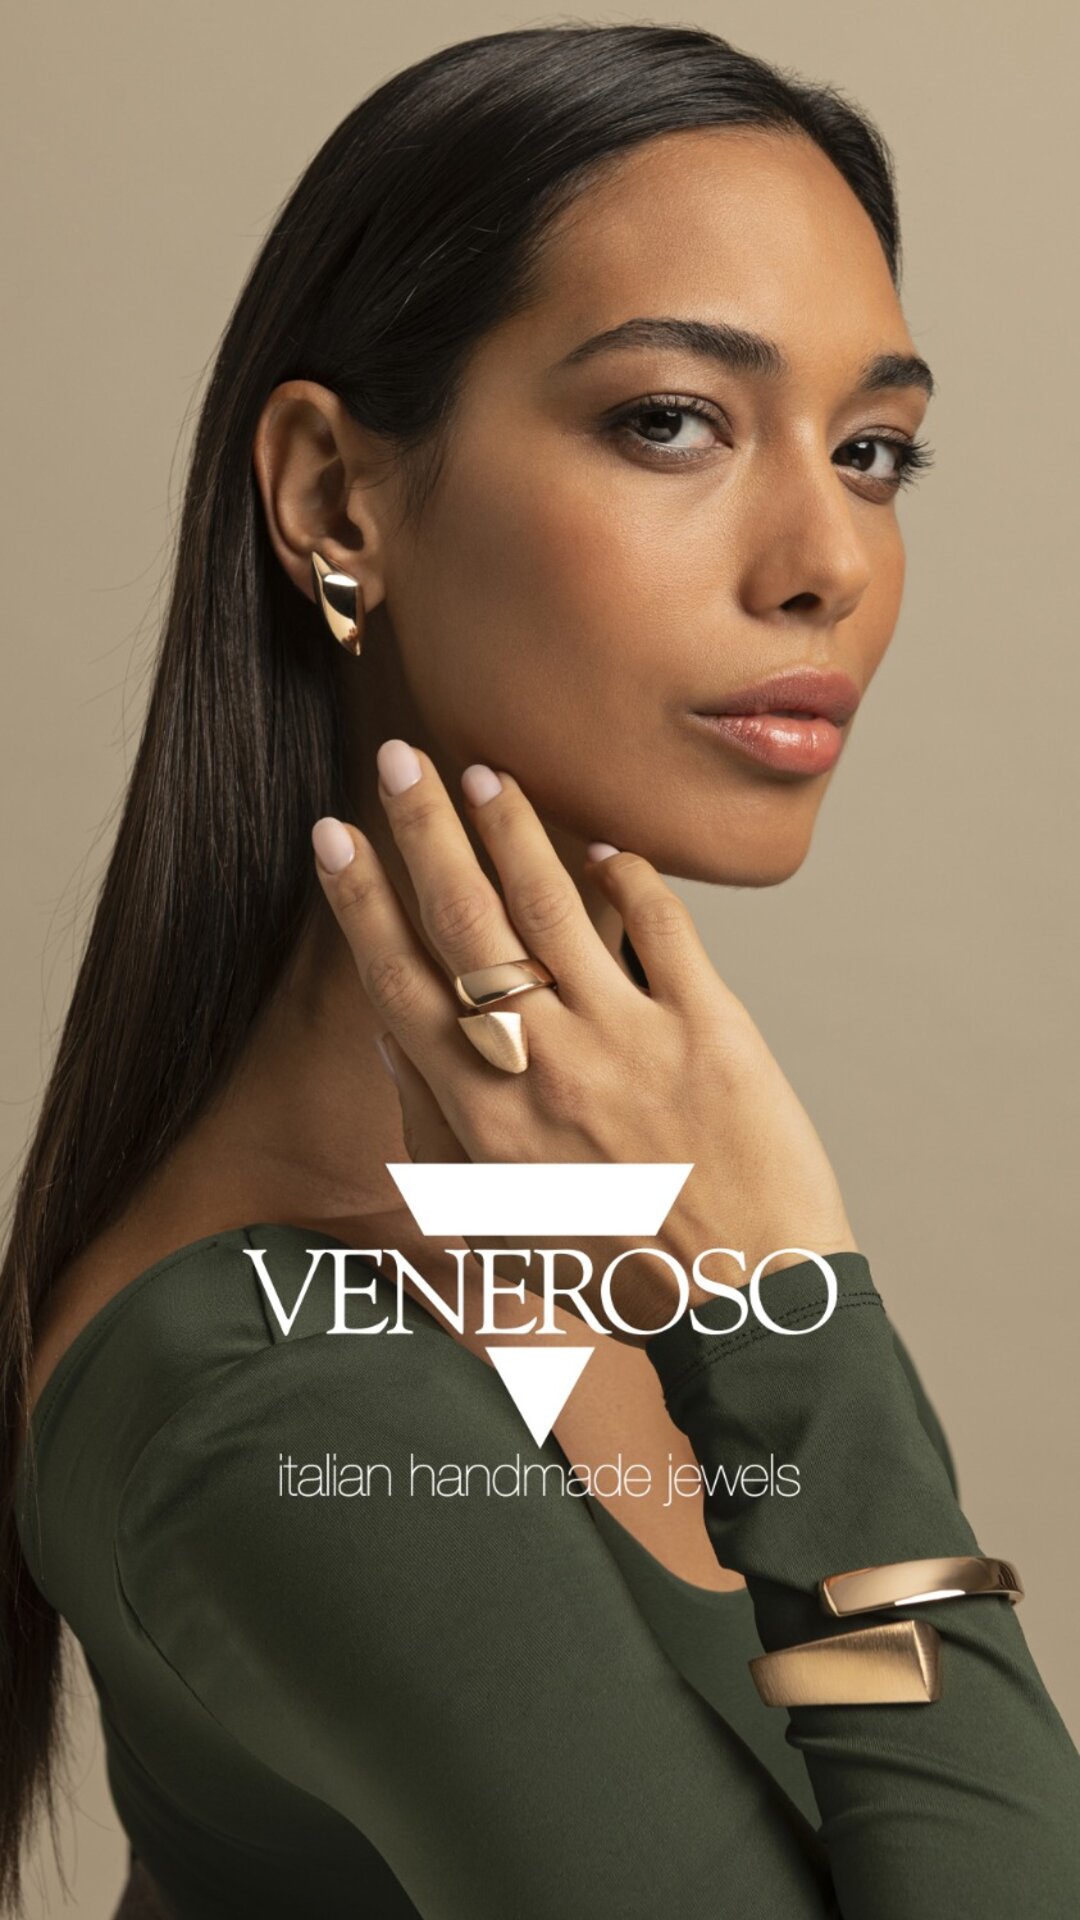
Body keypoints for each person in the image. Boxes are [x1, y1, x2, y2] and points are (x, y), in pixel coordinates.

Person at [3, 21, 1078, 1920]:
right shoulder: (279, 1400)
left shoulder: (587, 1210)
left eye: (872, 450)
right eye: (672, 421)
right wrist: (785, 1309)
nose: (826, 559)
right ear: (335, 502)